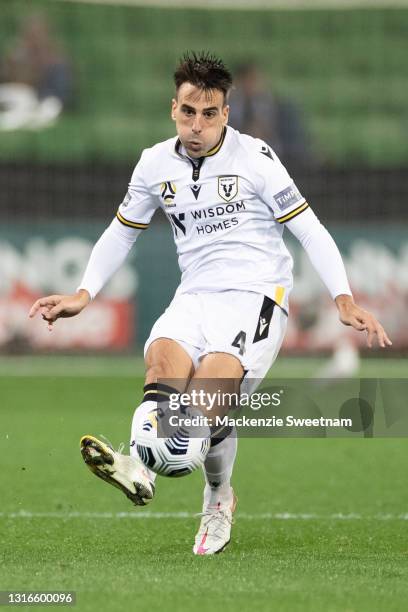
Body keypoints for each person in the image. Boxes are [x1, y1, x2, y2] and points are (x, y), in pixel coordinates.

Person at [29, 52, 391, 556]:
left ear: (226, 112)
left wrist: (344, 298)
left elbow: (308, 227)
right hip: (195, 294)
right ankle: (142, 463)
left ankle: (217, 496)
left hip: (256, 296)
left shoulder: (257, 159)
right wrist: (84, 294)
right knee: (161, 369)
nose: (197, 125)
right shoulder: (154, 164)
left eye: (210, 114)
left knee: (208, 401)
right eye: (187, 113)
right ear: (172, 108)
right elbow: (121, 232)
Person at [228, 62, 311, 166]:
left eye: (253, 80)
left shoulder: (281, 109)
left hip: (277, 163)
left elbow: (296, 146)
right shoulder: (223, 113)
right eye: (245, 81)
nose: (249, 86)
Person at [0, 14, 71, 131]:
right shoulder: (18, 53)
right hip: (19, 95)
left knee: (50, 106)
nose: (34, 37)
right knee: (21, 97)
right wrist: (12, 63)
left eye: (38, 33)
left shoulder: (56, 57)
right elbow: (7, 76)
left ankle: (27, 121)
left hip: (43, 100)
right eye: (30, 33)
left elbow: (59, 92)